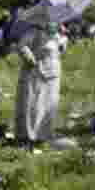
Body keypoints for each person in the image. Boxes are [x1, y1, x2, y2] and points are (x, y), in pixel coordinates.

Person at [15, 22, 63, 150]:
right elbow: (21, 46)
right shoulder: (33, 32)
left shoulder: (57, 34)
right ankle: (28, 137)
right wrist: (31, 59)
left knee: (49, 104)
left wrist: (62, 40)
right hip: (37, 72)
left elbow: (59, 50)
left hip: (53, 75)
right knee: (34, 104)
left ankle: (43, 135)